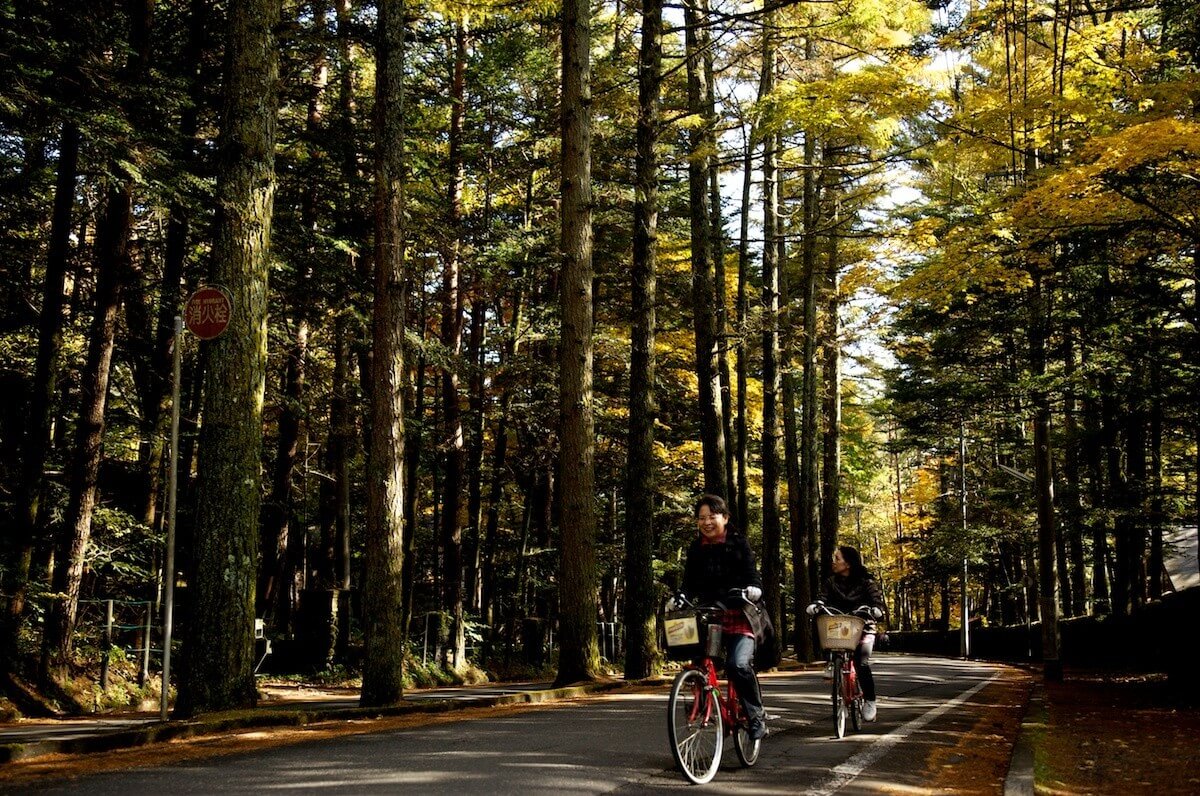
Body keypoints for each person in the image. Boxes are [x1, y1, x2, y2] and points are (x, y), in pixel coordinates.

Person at [680, 494, 769, 740]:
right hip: (711, 615)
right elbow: (688, 583)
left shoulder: (739, 543)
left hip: (741, 613)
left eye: (712, 516)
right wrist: (680, 595)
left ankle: (755, 715)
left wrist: (753, 589)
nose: (706, 522)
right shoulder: (696, 548)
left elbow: (753, 575)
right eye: (701, 518)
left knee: (737, 665)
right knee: (699, 660)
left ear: (725, 518)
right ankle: (702, 702)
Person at [807, 545, 886, 722]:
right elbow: (823, 597)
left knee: (861, 662)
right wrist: (817, 604)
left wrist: (876, 610)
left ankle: (870, 700)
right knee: (827, 636)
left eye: (837, 558)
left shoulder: (866, 582)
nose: (833, 562)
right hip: (840, 627)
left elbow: (876, 600)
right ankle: (831, 664)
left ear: (848, 563)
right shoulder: (831, 582)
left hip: (863, 626)